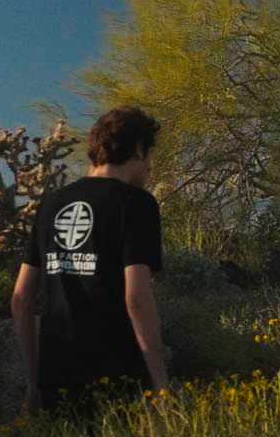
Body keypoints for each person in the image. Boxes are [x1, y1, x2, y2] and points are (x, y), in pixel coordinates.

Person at [11, 105, 168, 418]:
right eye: (150, 155)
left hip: (56, 377)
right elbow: (136, 298)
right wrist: (161, 383)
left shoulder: (51, 204)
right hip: (118, 377)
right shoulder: (136, 203)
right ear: (139, 148)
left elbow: (21, 299)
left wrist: (33, 380)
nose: (150, 167)